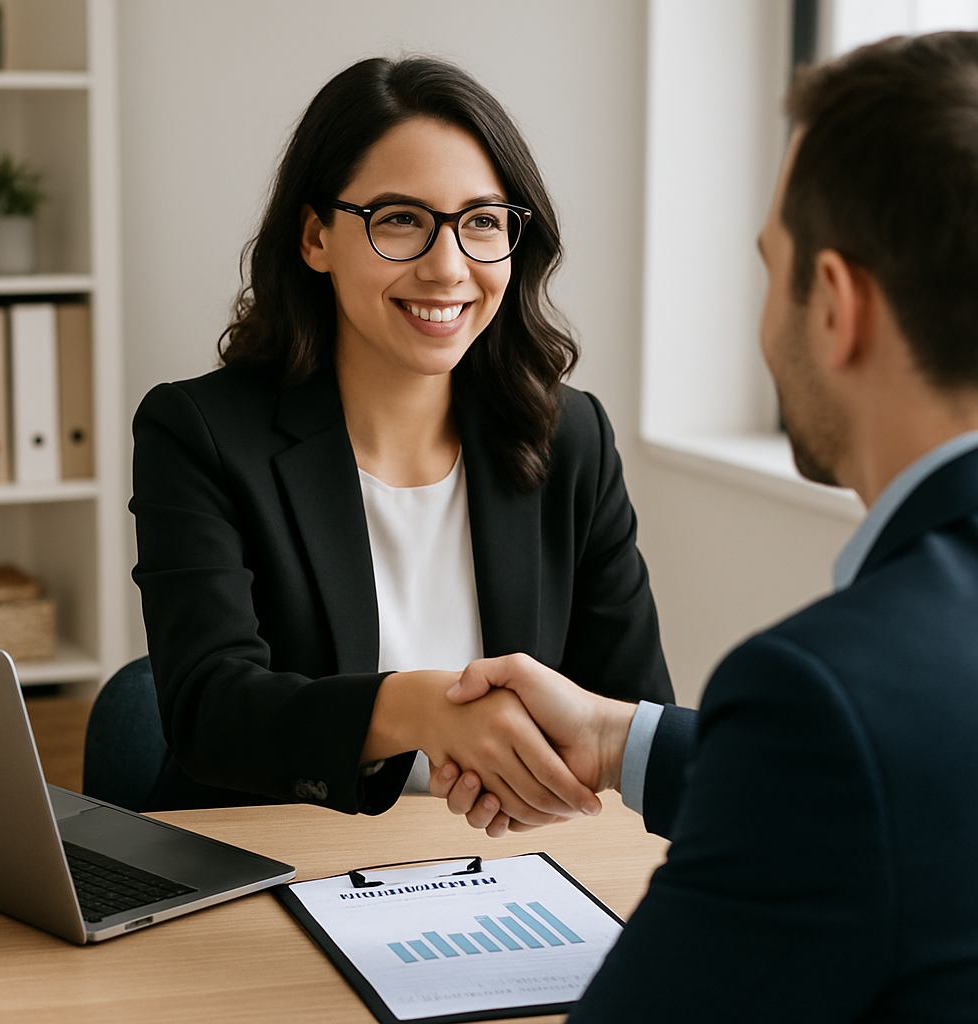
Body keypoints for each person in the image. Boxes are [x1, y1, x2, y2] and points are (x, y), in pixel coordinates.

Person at [432, 31, 978, 1020]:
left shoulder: (827, 700)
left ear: (835, 308)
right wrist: (619, 736)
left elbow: (852, 773)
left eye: (771, 269)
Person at [129, 56, 672, 816]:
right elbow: (212, 716)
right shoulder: (200, 434)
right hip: (277, 864)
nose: (448, 268)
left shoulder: (568, 435)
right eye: (400, 221)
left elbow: (633, 711)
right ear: (316, 237)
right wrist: (420, 709)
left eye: (482, 222)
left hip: (508, 862)